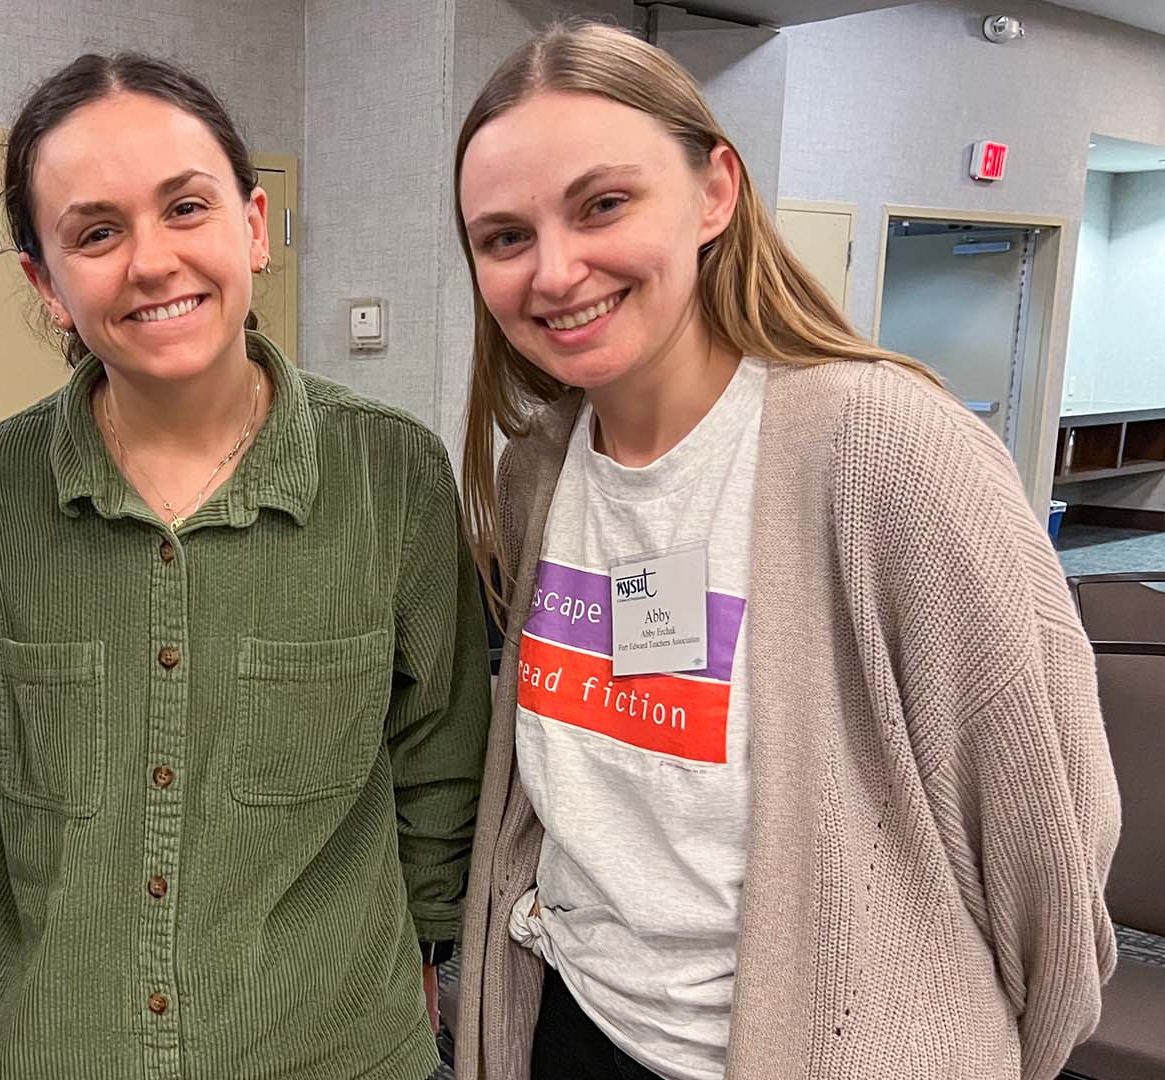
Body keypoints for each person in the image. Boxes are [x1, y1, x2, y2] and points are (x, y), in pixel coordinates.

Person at [447, 21, 1119, 1080]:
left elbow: (1050, 837)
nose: (556, 270)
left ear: (715, 191)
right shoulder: (538, 466)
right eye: (504, 236)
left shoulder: (885, 451)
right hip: (573, 1026)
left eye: (603, 205)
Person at [0, 52, 490, 1079]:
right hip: (57, 1044)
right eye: (97, 232)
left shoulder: (391, 472)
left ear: (254, 228)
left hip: (329, 1044)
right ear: (46, 283)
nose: (151, 260)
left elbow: (441, 747)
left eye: (186, 208)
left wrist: (430, 944)